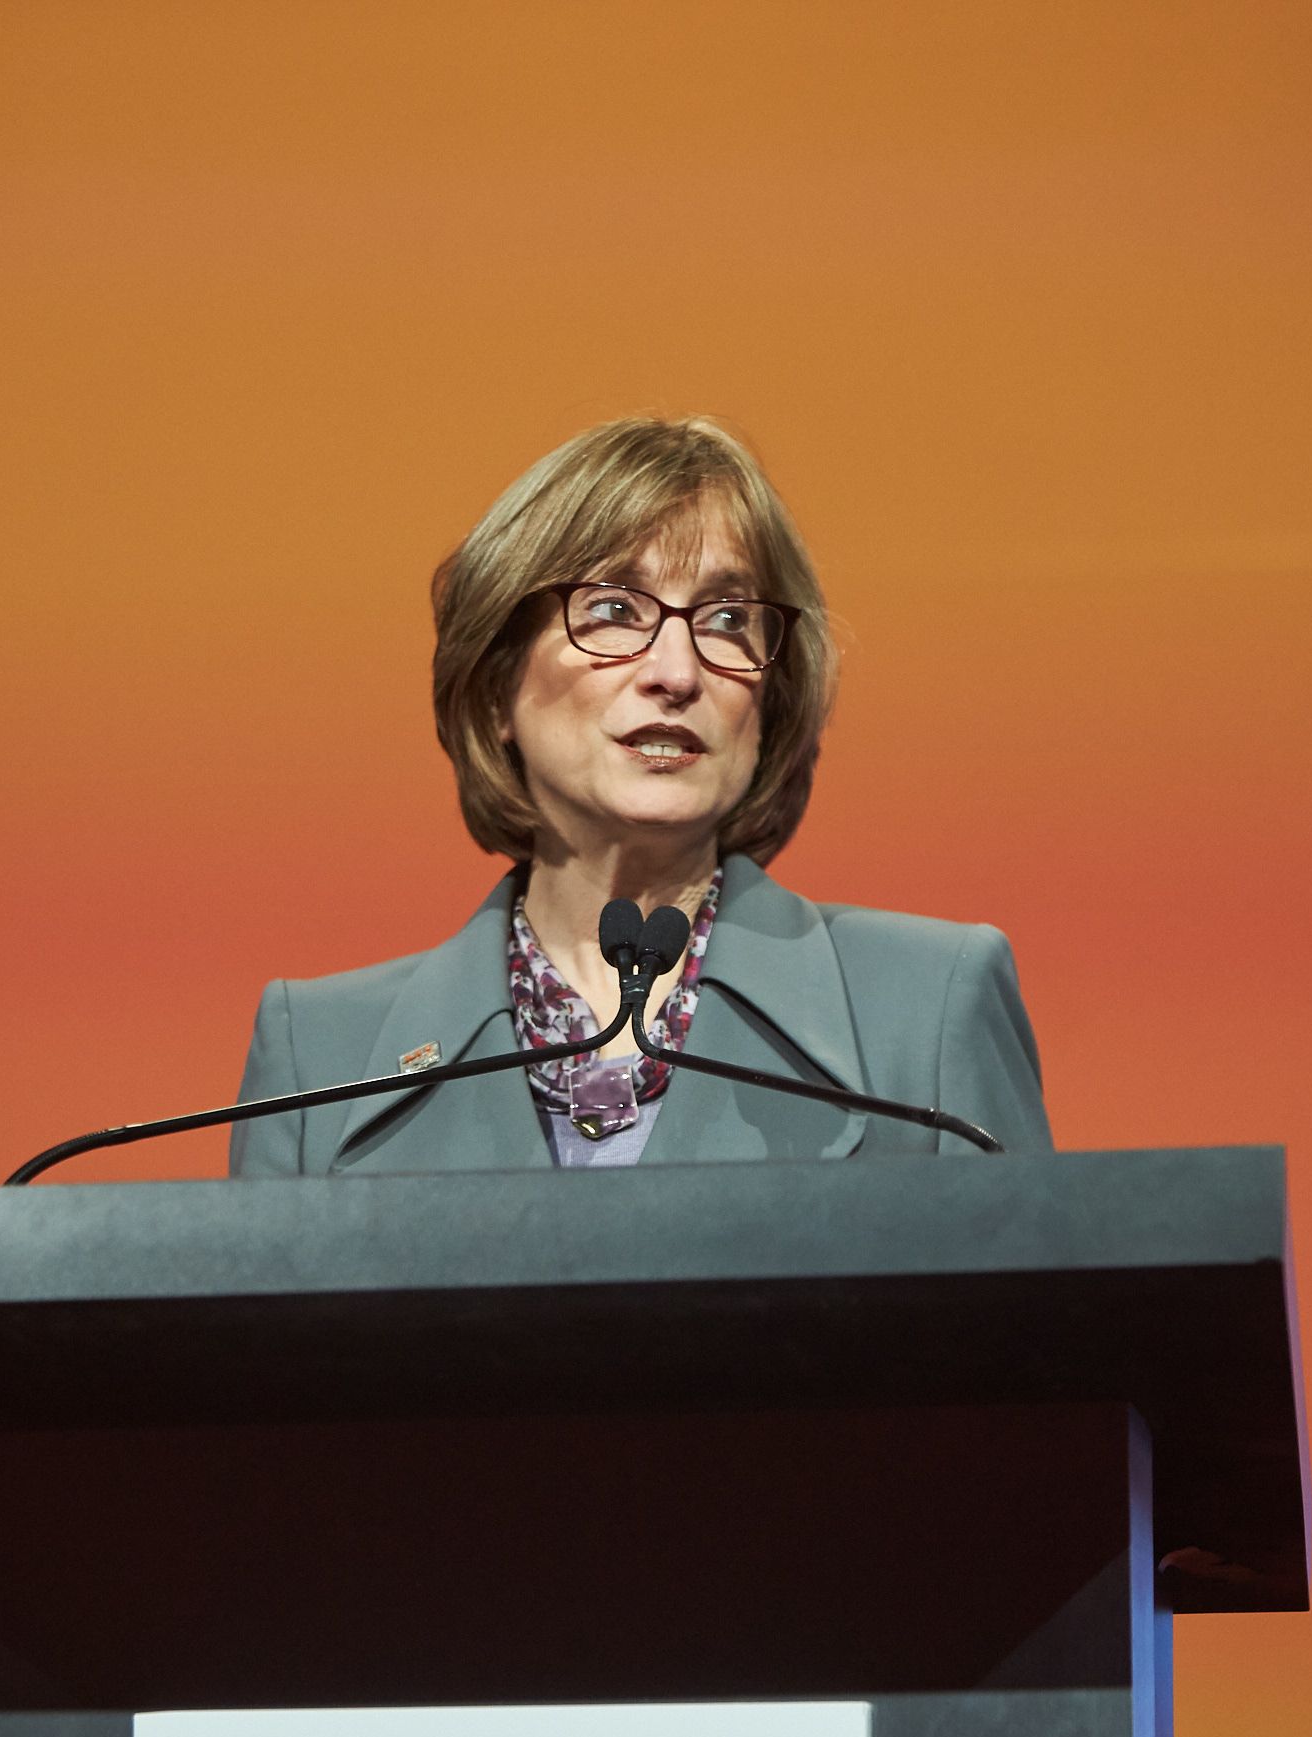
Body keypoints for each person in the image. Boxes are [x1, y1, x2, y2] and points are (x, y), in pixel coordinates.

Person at [228, 415, 1052, 1177]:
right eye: (615, 610)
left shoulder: (929, 1004)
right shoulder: (322, 1057)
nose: (677, 672)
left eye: (729, 620)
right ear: (494, 691)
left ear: (770, 703)